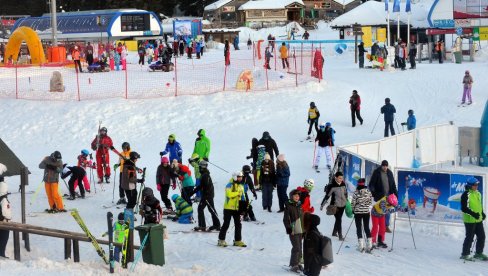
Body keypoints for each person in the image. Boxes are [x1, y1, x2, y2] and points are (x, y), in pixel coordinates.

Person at [460, 177, 487, 260]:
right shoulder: (466, 194)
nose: (476, 186)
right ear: (470, 185)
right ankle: (465, 254)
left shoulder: (478, 193)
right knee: (470, 237)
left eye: (477, 184)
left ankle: (478, 253)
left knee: (482, 236)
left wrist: (482, 213)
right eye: (475, 185)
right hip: (469, 220)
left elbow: (479, 205)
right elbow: (464, 208)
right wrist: (473, 214)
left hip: (478, 219)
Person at [218, 171, 246, 247]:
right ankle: (221, 240)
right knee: (226, 224)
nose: (240, 178)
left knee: (238, 224)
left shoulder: (241, 186)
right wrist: (237, 193)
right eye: (239, 177)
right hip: (228, 208)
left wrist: (244, 208)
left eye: (241, 177)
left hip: (237, 209)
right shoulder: (229, 185)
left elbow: (243, 197)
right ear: (235, 177)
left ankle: (237, 240)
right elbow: (229, 194)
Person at [369, 160, 398, 234]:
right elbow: (371, 184)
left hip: (388, 196)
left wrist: (395, 194)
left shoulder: (390, 173)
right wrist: (373, 193)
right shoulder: (377, 172)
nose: (385, 167)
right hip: (380, 196)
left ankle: (386, 226)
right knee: (379, 211)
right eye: (383, 166)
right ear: (381, 166)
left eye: (386, 166)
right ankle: (377, 226)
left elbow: (393, 185)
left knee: (387, 211)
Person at [192, 160, 221, 231]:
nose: (199, 168)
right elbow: (201, 186)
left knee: (202, 209)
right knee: (210, 209)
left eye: (199, 167)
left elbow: (206, 186)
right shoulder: (204, 174)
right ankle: (216, 225)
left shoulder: (205, 175)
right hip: (207, 195)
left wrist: (206, 195)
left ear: (202, 167)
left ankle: (203, 226)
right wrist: (193, 192)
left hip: (207, 196)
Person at [283, 189, 303, 273]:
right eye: (295, 196)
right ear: (291, 197)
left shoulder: (299, 206)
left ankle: (297, 263)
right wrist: (289, 229)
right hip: (293, 230)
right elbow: (285, 219)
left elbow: (301, 218)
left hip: (300, 229)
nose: (297, 197)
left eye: (298, 196)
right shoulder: (289, 206)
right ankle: (294, 265)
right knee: (296, 247)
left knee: (300, 247)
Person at [323, 172, 348, 240]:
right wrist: (323, 204)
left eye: (342, 178)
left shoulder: (343, 184)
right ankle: (340, 235)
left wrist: (346, 200)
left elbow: (345, 193)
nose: (341, 179)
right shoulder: (332, 186)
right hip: (335, 206)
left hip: (342, 205)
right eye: (339, 178)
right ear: (336, 178)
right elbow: (327, 196)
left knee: (338, 219)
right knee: (339, 219)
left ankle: (334, 232)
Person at [351, 178, 373, 252]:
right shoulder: (368, 192)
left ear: (358, 184)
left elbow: (353, 203)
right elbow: (370, 202)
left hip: (358, 212)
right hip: (366, 212)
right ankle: (369, 246)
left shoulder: (356, 193)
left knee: (359, 228)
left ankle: (361, 246)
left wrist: (353, 210)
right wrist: (366, 206)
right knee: (367, 227)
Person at [0, 163, 12, 258]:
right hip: (2, 220)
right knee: (4, 234)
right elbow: (5, 211)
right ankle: (1, 254)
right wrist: (7, 218)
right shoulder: (3, 199)